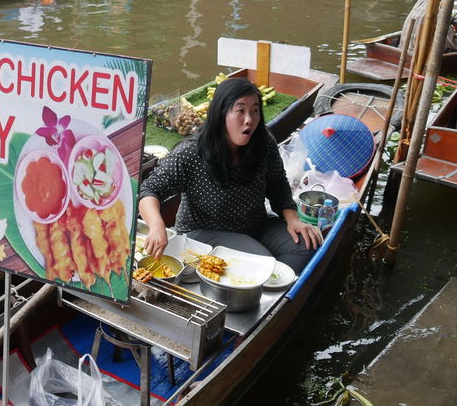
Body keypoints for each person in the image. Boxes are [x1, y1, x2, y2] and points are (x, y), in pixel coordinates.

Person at [138, 78, 322, 274]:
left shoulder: (263, 142)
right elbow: (149, 190)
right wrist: (157, 226)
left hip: (255, 224)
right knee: (261, 264)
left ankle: (275, 290)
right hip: (203, 234)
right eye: (240, 110)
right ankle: (255, 287)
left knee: (307, 245)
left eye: (255, 110)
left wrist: (292, 218)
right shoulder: (191, 153)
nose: (249, 119)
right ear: (221, 113)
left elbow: (277, 183)